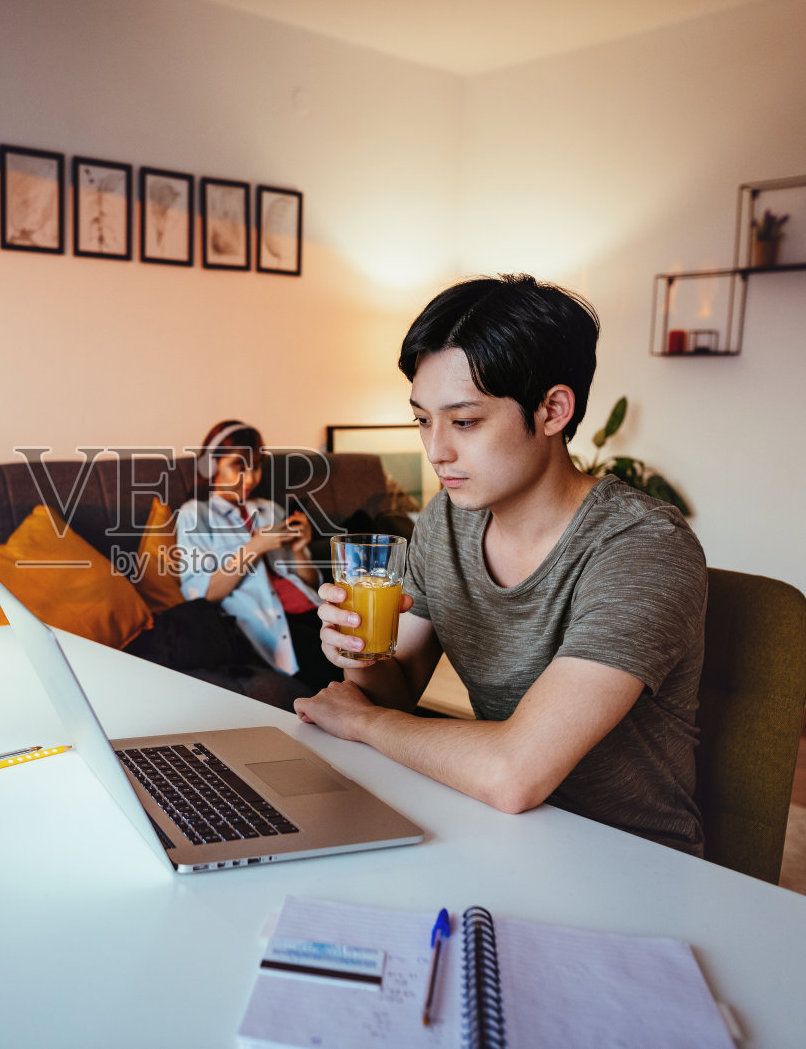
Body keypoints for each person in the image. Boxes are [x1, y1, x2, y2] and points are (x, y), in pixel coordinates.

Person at [293, 275, 708, 855]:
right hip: (489, 825)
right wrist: (361, 651)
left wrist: (362, 722)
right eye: (423, 420)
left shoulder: (642, 547)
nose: (436, 450)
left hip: (624, 856)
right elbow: (395, 696)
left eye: (464, 422)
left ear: (553, 410)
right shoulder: (448, 520)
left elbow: (514, 774)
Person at [175, 421, 344, 703]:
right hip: (272, 622)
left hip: (313, 610)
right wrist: (255, 547)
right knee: (336, 669)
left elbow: (309, 582)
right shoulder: (195, 514)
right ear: (210, 466)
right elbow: (201, 594)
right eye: (238, 467)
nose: (250, 478)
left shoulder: (270, 510)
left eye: (255, 467)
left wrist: (300, 548)